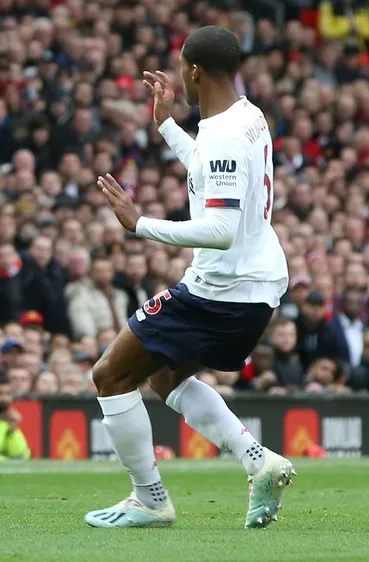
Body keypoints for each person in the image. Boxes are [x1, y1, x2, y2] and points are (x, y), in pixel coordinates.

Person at [85, 27, 293, 530]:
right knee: (163, 375)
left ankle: (150, 499)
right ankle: (256, 460)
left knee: (110, 375)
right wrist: (167, 127)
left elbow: (220, 229)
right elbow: (211, 170)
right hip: (257, 284)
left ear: (194, 71)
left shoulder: (221, 135)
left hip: (221, 289)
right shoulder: (247, 116)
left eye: (181, 65)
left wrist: (139, 225)